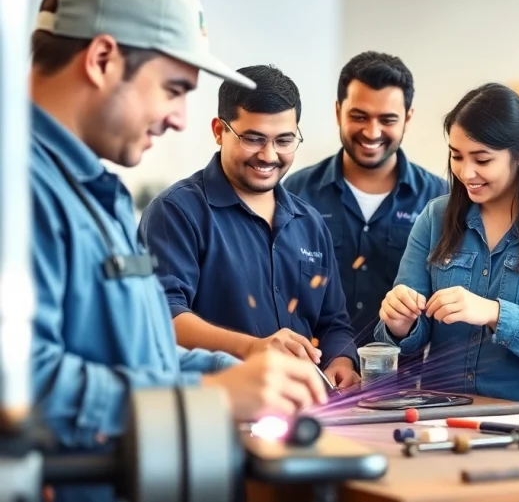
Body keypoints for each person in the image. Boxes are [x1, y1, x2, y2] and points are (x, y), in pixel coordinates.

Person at [28, 0, 327, 502]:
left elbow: (140, 356)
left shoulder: (94, 192)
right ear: (101, 59)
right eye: (172, 88)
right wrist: (210, 395)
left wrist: (237, 369)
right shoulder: (18, 189)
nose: (180, 119)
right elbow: (24, 381)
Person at [373, 83, 519, 401]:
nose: (466, 172)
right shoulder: (435, 218)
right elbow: (406, 338)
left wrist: (496, 314)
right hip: (442, 410)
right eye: (456, 156)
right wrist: (400, 324)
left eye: (482, 160)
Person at [139, 64, 360, 388]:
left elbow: (334, 322)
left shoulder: (310, 223)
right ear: (219, 131)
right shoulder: (176, 212)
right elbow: (163, 317)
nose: (269, 155)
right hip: (218, 402)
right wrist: (252, 348)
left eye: (284, 140)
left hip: (305, 406)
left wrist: (341, 360)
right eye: (254, 139)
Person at [283, 52, 446, 386]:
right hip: (313, 382)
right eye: (359, 116)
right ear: (338, 111)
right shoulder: (296, 193)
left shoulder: (440, 201)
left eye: (387, 119)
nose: (372, 132)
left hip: (404, 389)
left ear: (408, 118)